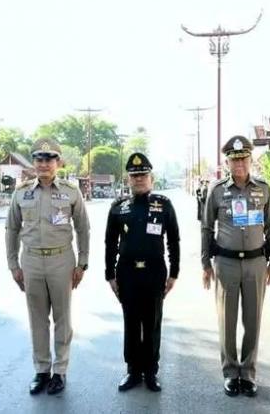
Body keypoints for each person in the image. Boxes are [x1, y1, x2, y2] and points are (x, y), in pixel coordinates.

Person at [5, 137, 90, 396]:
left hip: (61, 261)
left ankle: (60, 371)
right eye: (39, 159)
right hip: (31, 261)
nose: (44, 164)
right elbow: (12, 229)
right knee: (37, 319)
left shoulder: (71, 192)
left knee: (62, 318)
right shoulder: (21, 192)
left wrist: (82, 262)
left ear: (58, 163)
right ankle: (42, 370)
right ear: (34, 163)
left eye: (49, 159)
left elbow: (83, 228)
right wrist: (13, 264)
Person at [201, 135, 270, 398]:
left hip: (256, 263)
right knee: (227, 321)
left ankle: (247, 373)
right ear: (227, 162)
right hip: (226, 263)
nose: (239, 164)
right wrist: (205, 263)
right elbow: (206, 228)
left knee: (253, 321)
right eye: (234, 160)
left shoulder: (264, 189)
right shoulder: (216, 190)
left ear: (250, 160)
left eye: (243, 159)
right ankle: (230, 372)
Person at [105, 153, 180, 393]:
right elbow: (110, 243)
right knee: (131, 322)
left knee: (152, 323)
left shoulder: (163, 205)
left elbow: (173, 240)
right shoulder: (119, 208)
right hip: (127, 273)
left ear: (151, 178)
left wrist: (174, 273)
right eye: (134, 175)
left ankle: (151, 372)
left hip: (154, 273)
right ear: (128, 179)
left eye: (143, 175)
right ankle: (133, 371)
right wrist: (109, 274)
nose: (139, 179)